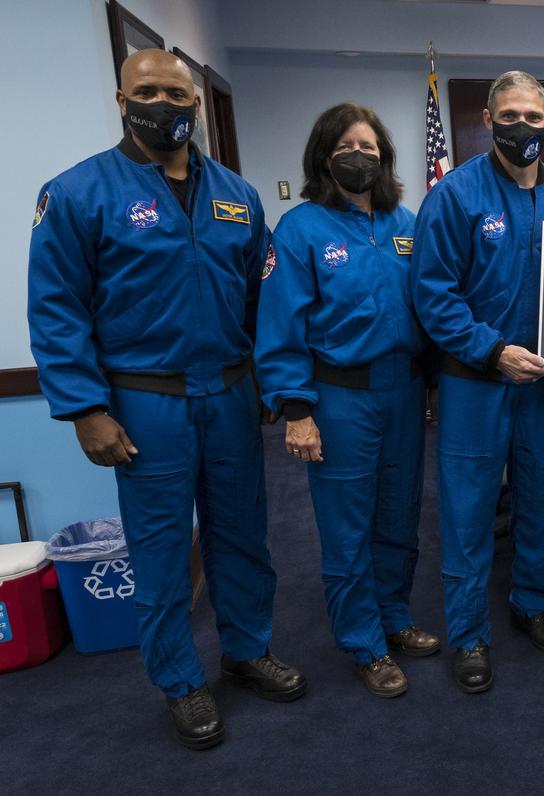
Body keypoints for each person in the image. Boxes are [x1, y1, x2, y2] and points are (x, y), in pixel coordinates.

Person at [26, 50, 304, 751]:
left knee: (243, 535)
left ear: (196, 104)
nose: (163, 104)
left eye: (176, 94)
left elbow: (263, 297)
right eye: (146, 92)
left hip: (232, 391)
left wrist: (268, 380)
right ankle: (180, 680)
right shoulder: (78, 193)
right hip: (146, 400)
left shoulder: (237, 195)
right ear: (122, 101)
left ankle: (246, 650)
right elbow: (57, 308)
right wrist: (85, 409)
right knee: (161, 550)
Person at [254, 103, 440, 699]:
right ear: (323, 158)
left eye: (368, 147)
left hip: (405, 390)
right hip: (339, 397)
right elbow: (280, 324)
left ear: (384, 157)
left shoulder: (406, 223)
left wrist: (435, 383)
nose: (359, 157)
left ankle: (394, 616)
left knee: (400, 515)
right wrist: (296, 411)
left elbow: (431, 306)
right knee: (348, 526)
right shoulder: (300, 230)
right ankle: (364, 643)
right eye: (345, 148)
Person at [412, 71, 544, 694]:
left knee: (540, 500)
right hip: (475, 380)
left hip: (543, 384)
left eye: (533, 117)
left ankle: (533, 602)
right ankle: (468, 634)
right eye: (509, 116)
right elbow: (433, 295)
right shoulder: (454, 196)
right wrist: (492, 351)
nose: (523, 127)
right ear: (488, 121)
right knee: (468, 512)